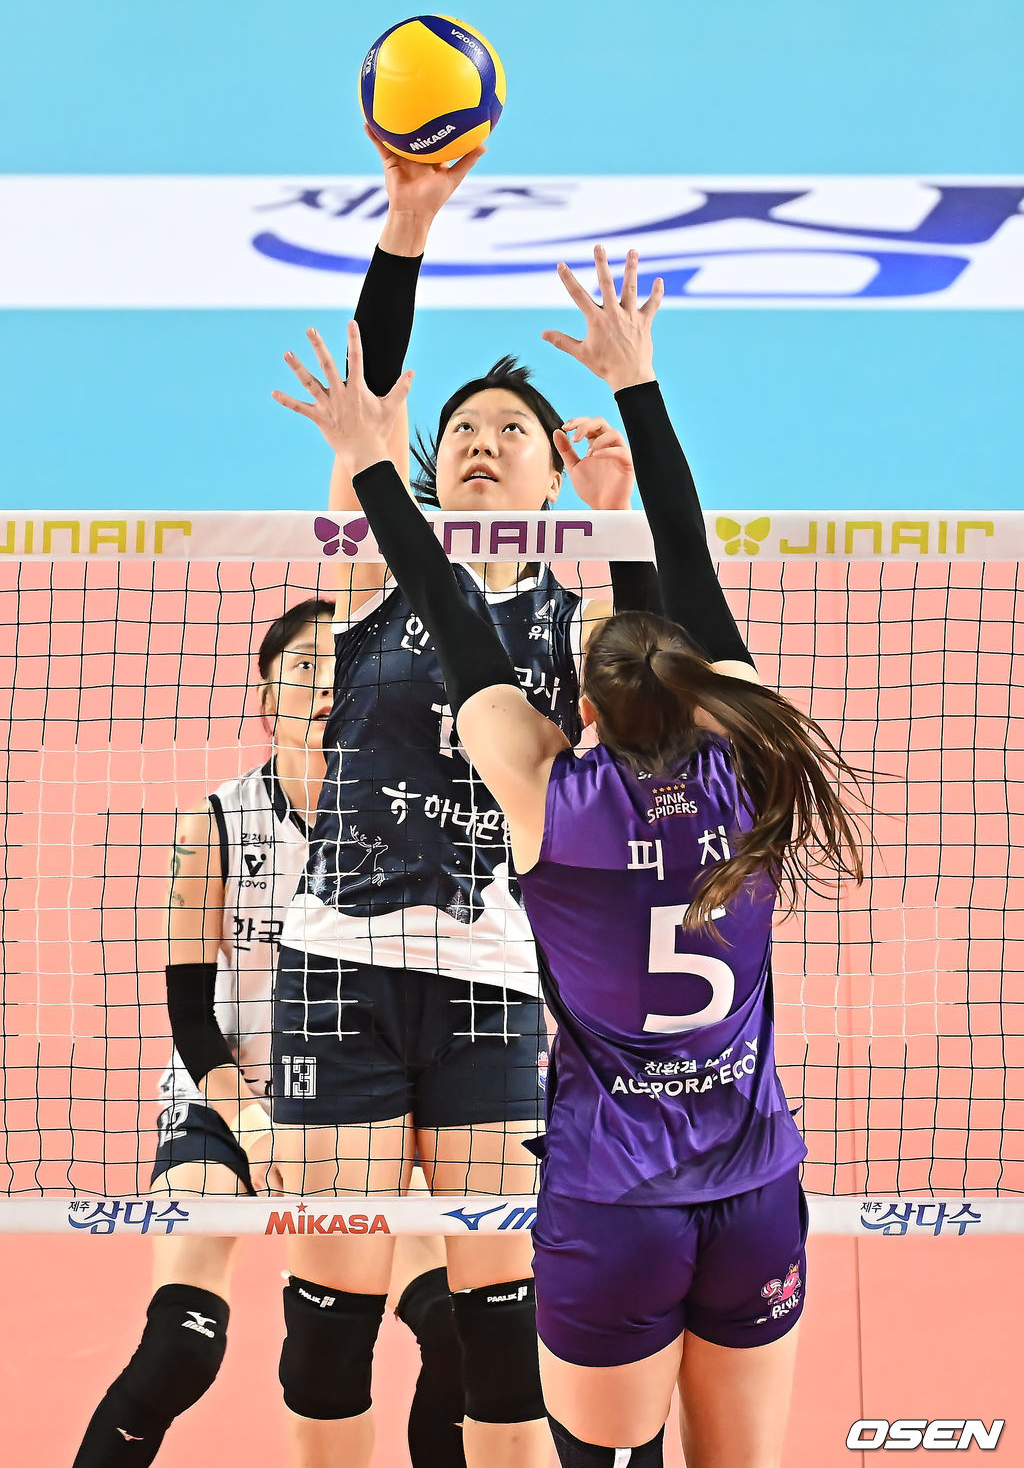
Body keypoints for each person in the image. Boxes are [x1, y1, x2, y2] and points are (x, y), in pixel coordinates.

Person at [325, 243, 867, 1468]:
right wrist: (635, 391)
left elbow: (451, 612)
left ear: (577, 707)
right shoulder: (756, 767)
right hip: (753, 1193)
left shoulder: (552, 805)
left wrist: (369, 462)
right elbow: (688, 569)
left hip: (613, 1204)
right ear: (703, 693)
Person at [268, 139, 658, 1468]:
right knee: (329, 1323)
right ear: (434, 474)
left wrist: (617, 525)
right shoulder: (377, 569)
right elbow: (374, 396)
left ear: (553, 476)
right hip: (338, 971)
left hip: (494, 978)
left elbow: (648, 723)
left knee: (502, 1324)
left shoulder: (579, 615)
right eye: (463, 436)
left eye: (513, 433)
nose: (483, 444)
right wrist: (407, 221)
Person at [72, 600, 466, 1468]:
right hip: (228, 1100)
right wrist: (251, 1122)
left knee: (459, 1335)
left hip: (364, 1112)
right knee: (179, 1346)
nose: (326, 684)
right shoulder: (211, 827)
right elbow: (188, 1012)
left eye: (346, 667)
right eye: (304, 667)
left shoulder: (420, 828)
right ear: (265, 700)